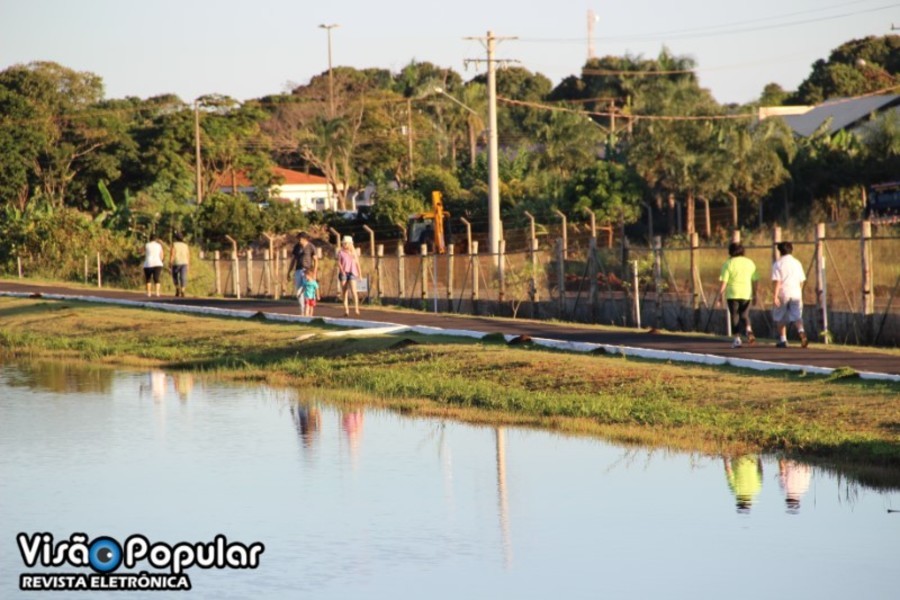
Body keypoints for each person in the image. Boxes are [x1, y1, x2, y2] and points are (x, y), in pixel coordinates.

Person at [717, 242, 759, 348]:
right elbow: (755, 279)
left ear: (730, 252)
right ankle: (749, 329)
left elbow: (724, 282)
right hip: (746, 293)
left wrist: (719, 296)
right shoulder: (750, 263)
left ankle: (737, 339)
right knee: (744, 315)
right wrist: (755, 294)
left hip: (732, 293)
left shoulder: (728, 263)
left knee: (735, 315)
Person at [772, 241, 808, 348]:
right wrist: (799, 291)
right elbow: (802, 280)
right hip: (796, 292)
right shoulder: (797, 263)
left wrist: (775, 296)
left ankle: (783, 339)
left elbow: (777, 281)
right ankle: (801, 331)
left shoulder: (778, 264)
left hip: (783, 293)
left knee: (780, 317)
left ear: (780, 251)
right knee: (797, 316)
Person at [286, 232, 318, 311]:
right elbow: (293, 260)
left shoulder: (311, 247)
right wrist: (289, 271)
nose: (299, 241)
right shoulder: (297, 247)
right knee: (299, 292)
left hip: (307, 271)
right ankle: (303, 310)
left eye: (300, 239)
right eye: (298, 239)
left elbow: (316, 260)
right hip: (298, 270)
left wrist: (314, 273)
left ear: (305, 239)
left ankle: (309, 310)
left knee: (307, 290)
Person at [337, 235, 361, 317]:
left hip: (352, 273)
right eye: (343, 243)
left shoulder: (354, 253)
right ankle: (346, 310)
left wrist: (360, 274)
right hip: (344, 273)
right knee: (344, 291)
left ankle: (356, 309)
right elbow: (339, 263)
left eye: (346, 243)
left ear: (350, 244)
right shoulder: (340, 252)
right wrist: (342, 271)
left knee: (354, 291)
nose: (344, 245)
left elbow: (357, 264)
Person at [169, 232, 190, 297]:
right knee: (183, 277)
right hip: (184, 262)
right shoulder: (185, 245)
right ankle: (183, 290)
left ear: (176, 238)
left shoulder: (174, 244)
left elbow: (172, 254)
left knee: (175, 276)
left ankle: (177, 289)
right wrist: (188, 264)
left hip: (176, 262)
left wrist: (170, 262)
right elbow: (188, 255)